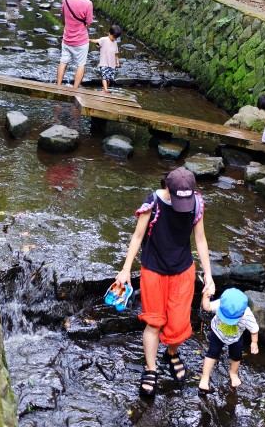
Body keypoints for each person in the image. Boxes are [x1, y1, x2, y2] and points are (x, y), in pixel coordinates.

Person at [115, 167, 215, 398]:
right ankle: (151, 369)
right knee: (154, 322)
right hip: (154, 271)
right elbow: (138, 237)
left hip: (183, 271)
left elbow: (200, 240)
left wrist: (208, 275)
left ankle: (171, 353)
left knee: (179, 322)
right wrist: (125, 269)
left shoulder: (196, 204)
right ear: (167, 188)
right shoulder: (153, 203)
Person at [199, 287, 259, 394]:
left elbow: (254, 329)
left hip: (236, 338)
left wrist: (254, 342)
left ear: (242, 313)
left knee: (236, 357)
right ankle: (204, 378)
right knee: (212, 354)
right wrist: (205, 297)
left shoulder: (247, 315)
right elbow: (207, 307)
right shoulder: (220, 304)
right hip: (217, 333)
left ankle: (233, 374)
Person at [56, 0, 94, 90]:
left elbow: (63, 14)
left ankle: (58, 87)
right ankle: (74, 90)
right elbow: (88, 22)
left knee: (63, 61)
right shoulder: (88, 3)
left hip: (67, 37)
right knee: (81, 65)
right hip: (81, 40)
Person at [90, 24, 121, 93]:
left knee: (109, 78)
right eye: (113, 37)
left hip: (112, 64)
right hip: (104, 62)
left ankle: (106, 87)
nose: (114, 39)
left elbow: (116, 54)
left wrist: (117, 61)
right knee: (104, 76)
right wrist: (89, 39)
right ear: (109, 33)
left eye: (115, 38)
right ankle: (105, 89)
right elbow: (97, 41)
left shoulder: (115, 43)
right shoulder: (104, 39)